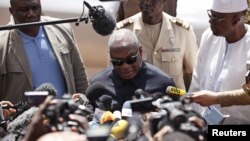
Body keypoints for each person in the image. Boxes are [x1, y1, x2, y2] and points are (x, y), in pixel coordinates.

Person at [0, 0, 89, 104]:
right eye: (24, 10)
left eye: (35, 7)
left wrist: (86, 106)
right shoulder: (2, 42)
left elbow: (80, 76)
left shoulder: (62, 29)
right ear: (12, 11)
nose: (31, 14)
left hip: (65, 115)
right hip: (24, 119)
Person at [189, 0, 250, 122]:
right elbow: (197, 83)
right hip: (205, 125)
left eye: (217, 18)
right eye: (210, 14)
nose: (210, 21)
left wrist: (216, 98)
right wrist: (192, 117)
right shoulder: (209, 37)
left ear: (235, 20)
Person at [116, 0, 198, 91]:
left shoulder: (183, 31)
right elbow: (114, 74)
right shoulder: (123, 32)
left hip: (173, 102)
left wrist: (189, 100)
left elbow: (193, 74)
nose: (147, 2)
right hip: (138, 102)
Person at [89, 29, 176, 111]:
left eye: (130, 59)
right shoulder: (98, 86)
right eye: (117, 62)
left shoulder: (164, 84)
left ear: (140, 51)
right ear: (110, 55)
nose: (125, 66)